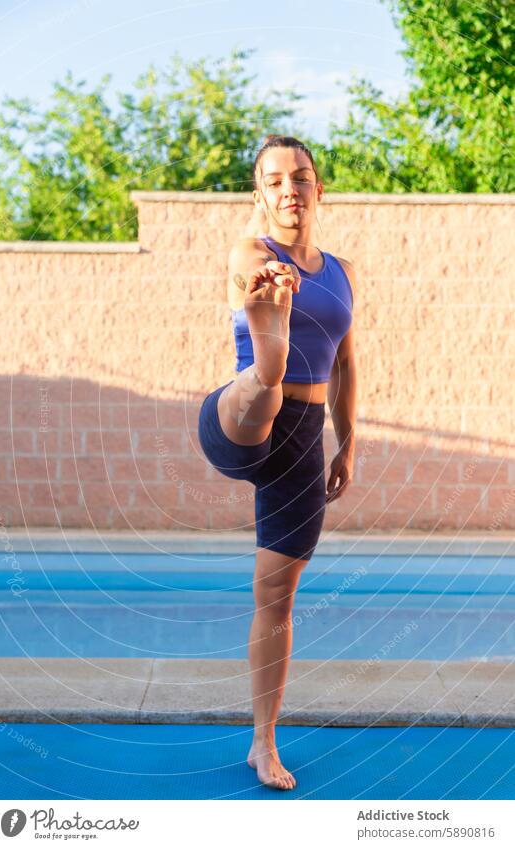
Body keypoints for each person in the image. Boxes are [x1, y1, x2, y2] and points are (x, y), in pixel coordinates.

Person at [197, 134, 357, 790]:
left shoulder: (343, 272)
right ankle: (268, 359)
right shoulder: (249, 254)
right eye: (274, 179)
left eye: (301, 176)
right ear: (260, 195)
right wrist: (265, 292)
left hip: (304, 438)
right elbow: (242, 271)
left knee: (275, 599)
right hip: (239, 423)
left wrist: (346, 439)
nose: (290, 186)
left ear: (319, 188)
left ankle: (263, 744)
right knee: (257, 391)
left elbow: (347, 362)